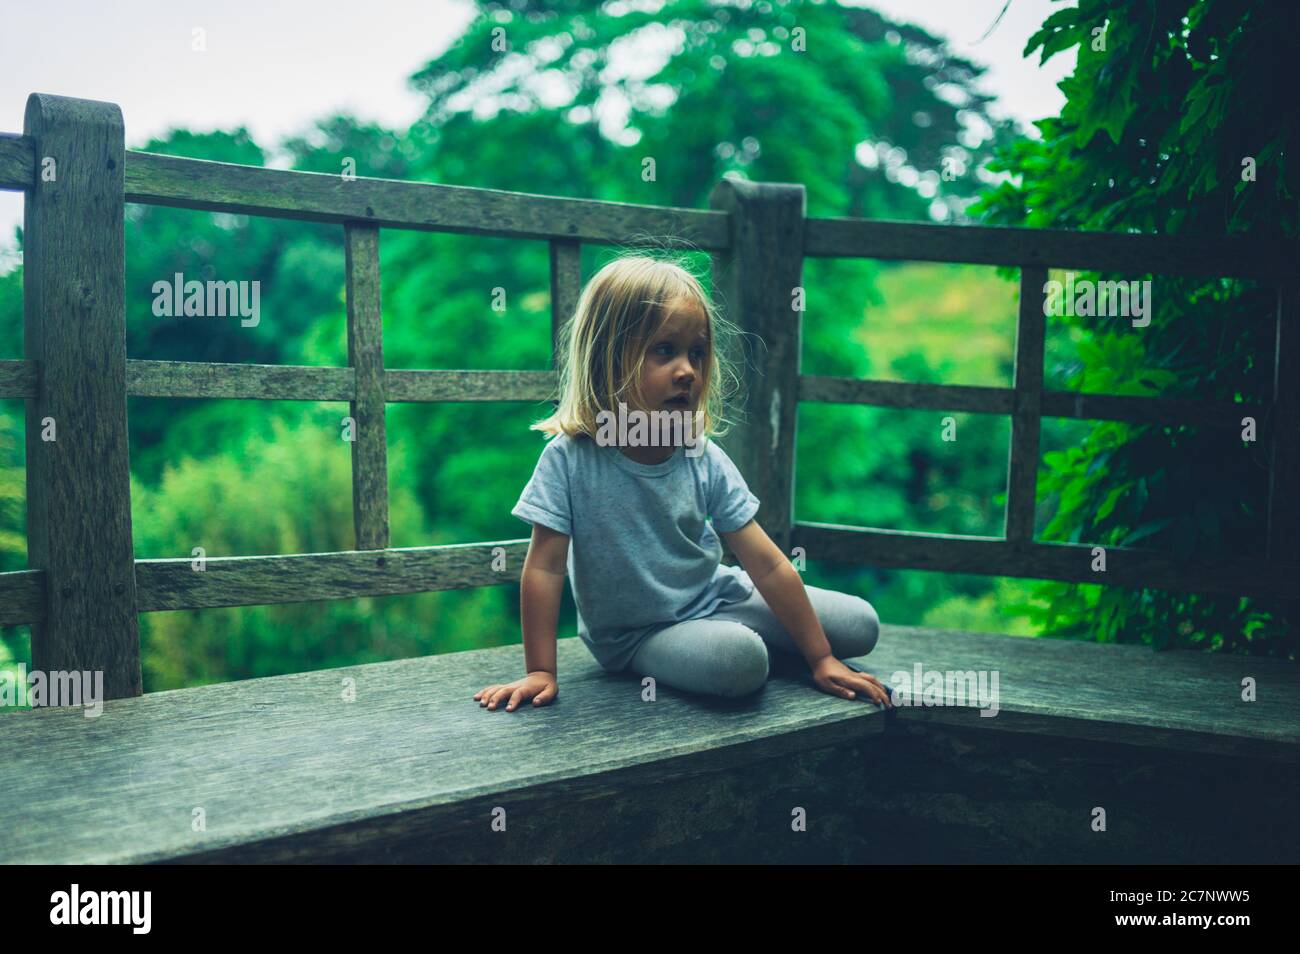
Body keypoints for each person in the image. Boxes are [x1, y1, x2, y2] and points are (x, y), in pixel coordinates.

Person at [473, 253, 889, 712]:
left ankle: (776, 644)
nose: (688, 370)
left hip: (716, 597)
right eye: (665, 350)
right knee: (740, 660)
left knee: (860, 625)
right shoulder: (569, 460)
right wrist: (540, 670)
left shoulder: (700, 455)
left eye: (697, 352)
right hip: (639, 634)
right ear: (609, 360)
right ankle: (734, 646)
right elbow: (545, 569)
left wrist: (823, 657)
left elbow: (767, 565)